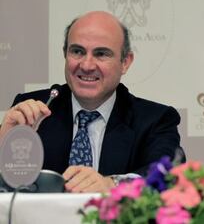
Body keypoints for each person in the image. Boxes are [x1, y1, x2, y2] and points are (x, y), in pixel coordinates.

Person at [0, 11, 183, 193]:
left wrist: (112, 185)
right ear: (65, 54)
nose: (87, 65)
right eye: (77, 51)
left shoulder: (155, 120)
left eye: (101, 54)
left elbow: (167, 175)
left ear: (125, 62)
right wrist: (2, 144)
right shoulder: (32, 110)